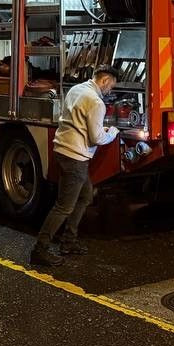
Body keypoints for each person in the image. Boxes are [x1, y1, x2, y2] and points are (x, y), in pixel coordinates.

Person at [31, 66, 120, 267]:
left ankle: (68, 241)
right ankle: (40, 249)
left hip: (63, 151)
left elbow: (79, 122)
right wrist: (112, 132)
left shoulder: (77, 89)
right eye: (111, 85)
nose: (110, 90)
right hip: (76, 157)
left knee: (86, 196)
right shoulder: (96, 102)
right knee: (64, 206)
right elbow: (96, 137)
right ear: (105, 80)